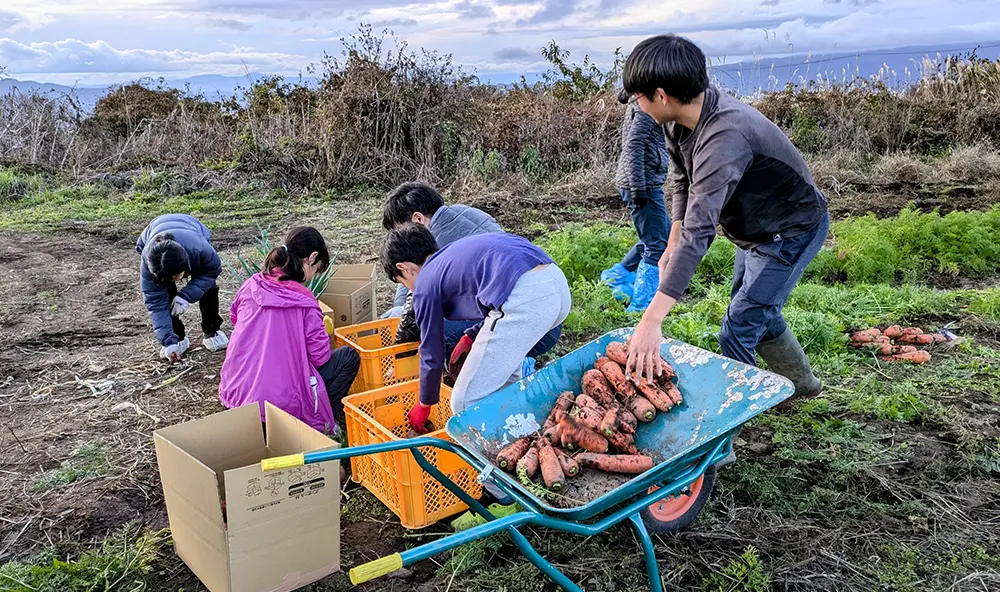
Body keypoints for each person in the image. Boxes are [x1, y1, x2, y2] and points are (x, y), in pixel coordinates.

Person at [621, 35, 829, 405]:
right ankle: (802, 385)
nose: (637, 104)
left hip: (790, 231)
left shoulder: (725, 137)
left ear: (661, 95)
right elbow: (683, 180)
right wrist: (672, 239)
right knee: (755, 309)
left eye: (638, 96)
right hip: (754, 230)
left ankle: (725, 436)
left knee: (738, 327)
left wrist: (652, 321)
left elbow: (700, 231)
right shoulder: (679, 121)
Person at [380, 225, 571, 433]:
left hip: (527, 298)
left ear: (404, 268)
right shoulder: (452, 254)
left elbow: (431, 354)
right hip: (556, 285)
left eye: (403, 282)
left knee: (464, 402)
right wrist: (471, 336)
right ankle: (522, 436)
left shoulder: (425, 282)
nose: (410, 289)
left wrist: (423, 405)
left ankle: (486, 459)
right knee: (507, 381)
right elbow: (494, 298)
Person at [381, 182, 560, 377]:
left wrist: (398, 358)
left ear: (417, 218)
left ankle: (486, 371)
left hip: (524, 326)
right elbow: (410, 286)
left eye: (400, 230)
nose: (400, 237)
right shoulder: (463, 213)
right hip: (550, 312)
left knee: (430, 328)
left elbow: (416, 305)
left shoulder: (437, 244)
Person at [219, 227, 361, 434]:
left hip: (236, 395)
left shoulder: (250, 285)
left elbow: (235, 318)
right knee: (348, 357)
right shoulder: (303, 299)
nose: (312, 277)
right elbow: (320, 356)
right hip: (281, 408)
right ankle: (320, 427)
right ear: (312, 258)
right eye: (316, 269)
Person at [601, 87, 671, 313]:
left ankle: (617, 276)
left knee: (661, 234)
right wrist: (639, 188)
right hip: (643, 184)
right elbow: (633, 147)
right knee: (656, 243)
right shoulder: (645, 110)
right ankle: (642, 305)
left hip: (642, 181)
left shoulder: (639, 104)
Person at [137, 213, 228, 362]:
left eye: (175, 277)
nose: (172, 280)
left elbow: (212, 271)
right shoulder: (149, 263)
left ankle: (212, 331)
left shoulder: (201, 249)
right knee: (165, 294)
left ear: (186, 267)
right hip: (152, 231)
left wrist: (185, 295)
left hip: (192, 228)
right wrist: (167, 341)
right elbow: (155, 303)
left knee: (208, 288)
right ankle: (178, 337)